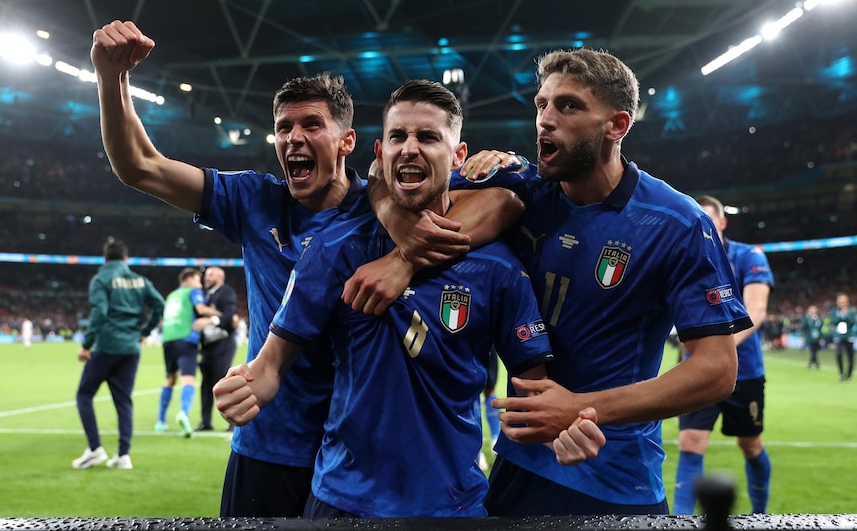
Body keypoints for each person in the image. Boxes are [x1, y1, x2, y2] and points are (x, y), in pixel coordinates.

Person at [91, 20, 520, 517]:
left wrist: (400, 241)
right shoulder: (254, 200)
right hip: (268, 444)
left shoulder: (389, 206)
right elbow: (139, 165)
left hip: (355, 457)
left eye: (311, 125)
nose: (294, 137)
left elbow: (502, 202)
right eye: (283, 127)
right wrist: (110, 77)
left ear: (347, 142)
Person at [214, 80, 605, 518]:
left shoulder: (500, 269)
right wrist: (247, 386)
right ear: (380, 154)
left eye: (428, 137)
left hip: (451, 507)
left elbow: (536, 391)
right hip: (341, 501)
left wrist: (564, 428)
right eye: (399, 136)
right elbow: (269, 366)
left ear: (459, 156)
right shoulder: (332, 249)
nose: (411, 148)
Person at [444, 48, 750, 515]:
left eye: (568, 106)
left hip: (615, 479)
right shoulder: (524, 189)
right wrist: (402, 259)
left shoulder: (676, 221)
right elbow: (388, 188)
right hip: (520, 463)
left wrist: (583, 408)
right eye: (541, 104)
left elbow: (716, 369)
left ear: (618, 125)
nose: (545, 119)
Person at [673, 195, 775, 515]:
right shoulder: (684, 259)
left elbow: (756, 311)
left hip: (743, 372)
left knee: (750, 445)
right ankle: (682, 522)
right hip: (696, 370)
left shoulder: (749, 256)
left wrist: (713, 350)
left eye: (709, 219)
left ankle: (760, 516)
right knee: (690, 443)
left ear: (722, 222)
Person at [72, 240, 165, 470]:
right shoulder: (140, 280)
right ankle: (124, 455)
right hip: (131, 349)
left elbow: (100, 313)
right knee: (123, 401)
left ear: (105, 259)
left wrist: (86, 345)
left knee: (84, 394)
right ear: (126, 259)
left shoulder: (101, 279)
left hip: (107, 346)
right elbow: (160, 305)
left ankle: (95, 449)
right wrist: (144, 331)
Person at [156, 267, 219, 438]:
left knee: (170, 378)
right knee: (188, 379)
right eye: (198, 280)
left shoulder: (171, 295)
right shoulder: (193, 291)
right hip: (186, 338)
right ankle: (183, 413)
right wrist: (219, 314)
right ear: (190, 279)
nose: (200, 284)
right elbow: (201, 309)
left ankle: (160, 421)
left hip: (168, 339)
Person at [195, 266, 239, 432]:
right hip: (207, 345)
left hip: (222, 343)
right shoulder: (205, 294)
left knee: (223, 382)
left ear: (221, 277)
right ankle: (206, 422)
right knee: (206, 384)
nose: (206, 277)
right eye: (206, 275)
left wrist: (209, 320)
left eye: (210, 275)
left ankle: (233, 422)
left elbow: (229, 314)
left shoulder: (226, 292)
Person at [830, 293, 857, 382]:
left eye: (844, 301)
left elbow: (853, 322)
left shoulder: (852, 311)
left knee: (850, 356)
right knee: (839, 354)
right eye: (840, 301)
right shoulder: (834, 311)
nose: (842, 303)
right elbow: (833, 321)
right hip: (839, 336)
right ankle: (841, 373)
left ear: (847, 301)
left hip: (849, 335)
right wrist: (841, 315)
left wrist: (847, 315)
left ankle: (849, 375)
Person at [802, 305, 824, 370]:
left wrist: (822, 338)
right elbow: (803, 328)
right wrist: (803, 336)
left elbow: (821, 329)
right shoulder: (807, 319)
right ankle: (816, 363)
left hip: (817, 338)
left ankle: (811, 362)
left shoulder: (819, 319)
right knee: (813, 350)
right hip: (810, 337)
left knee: (815, 351)